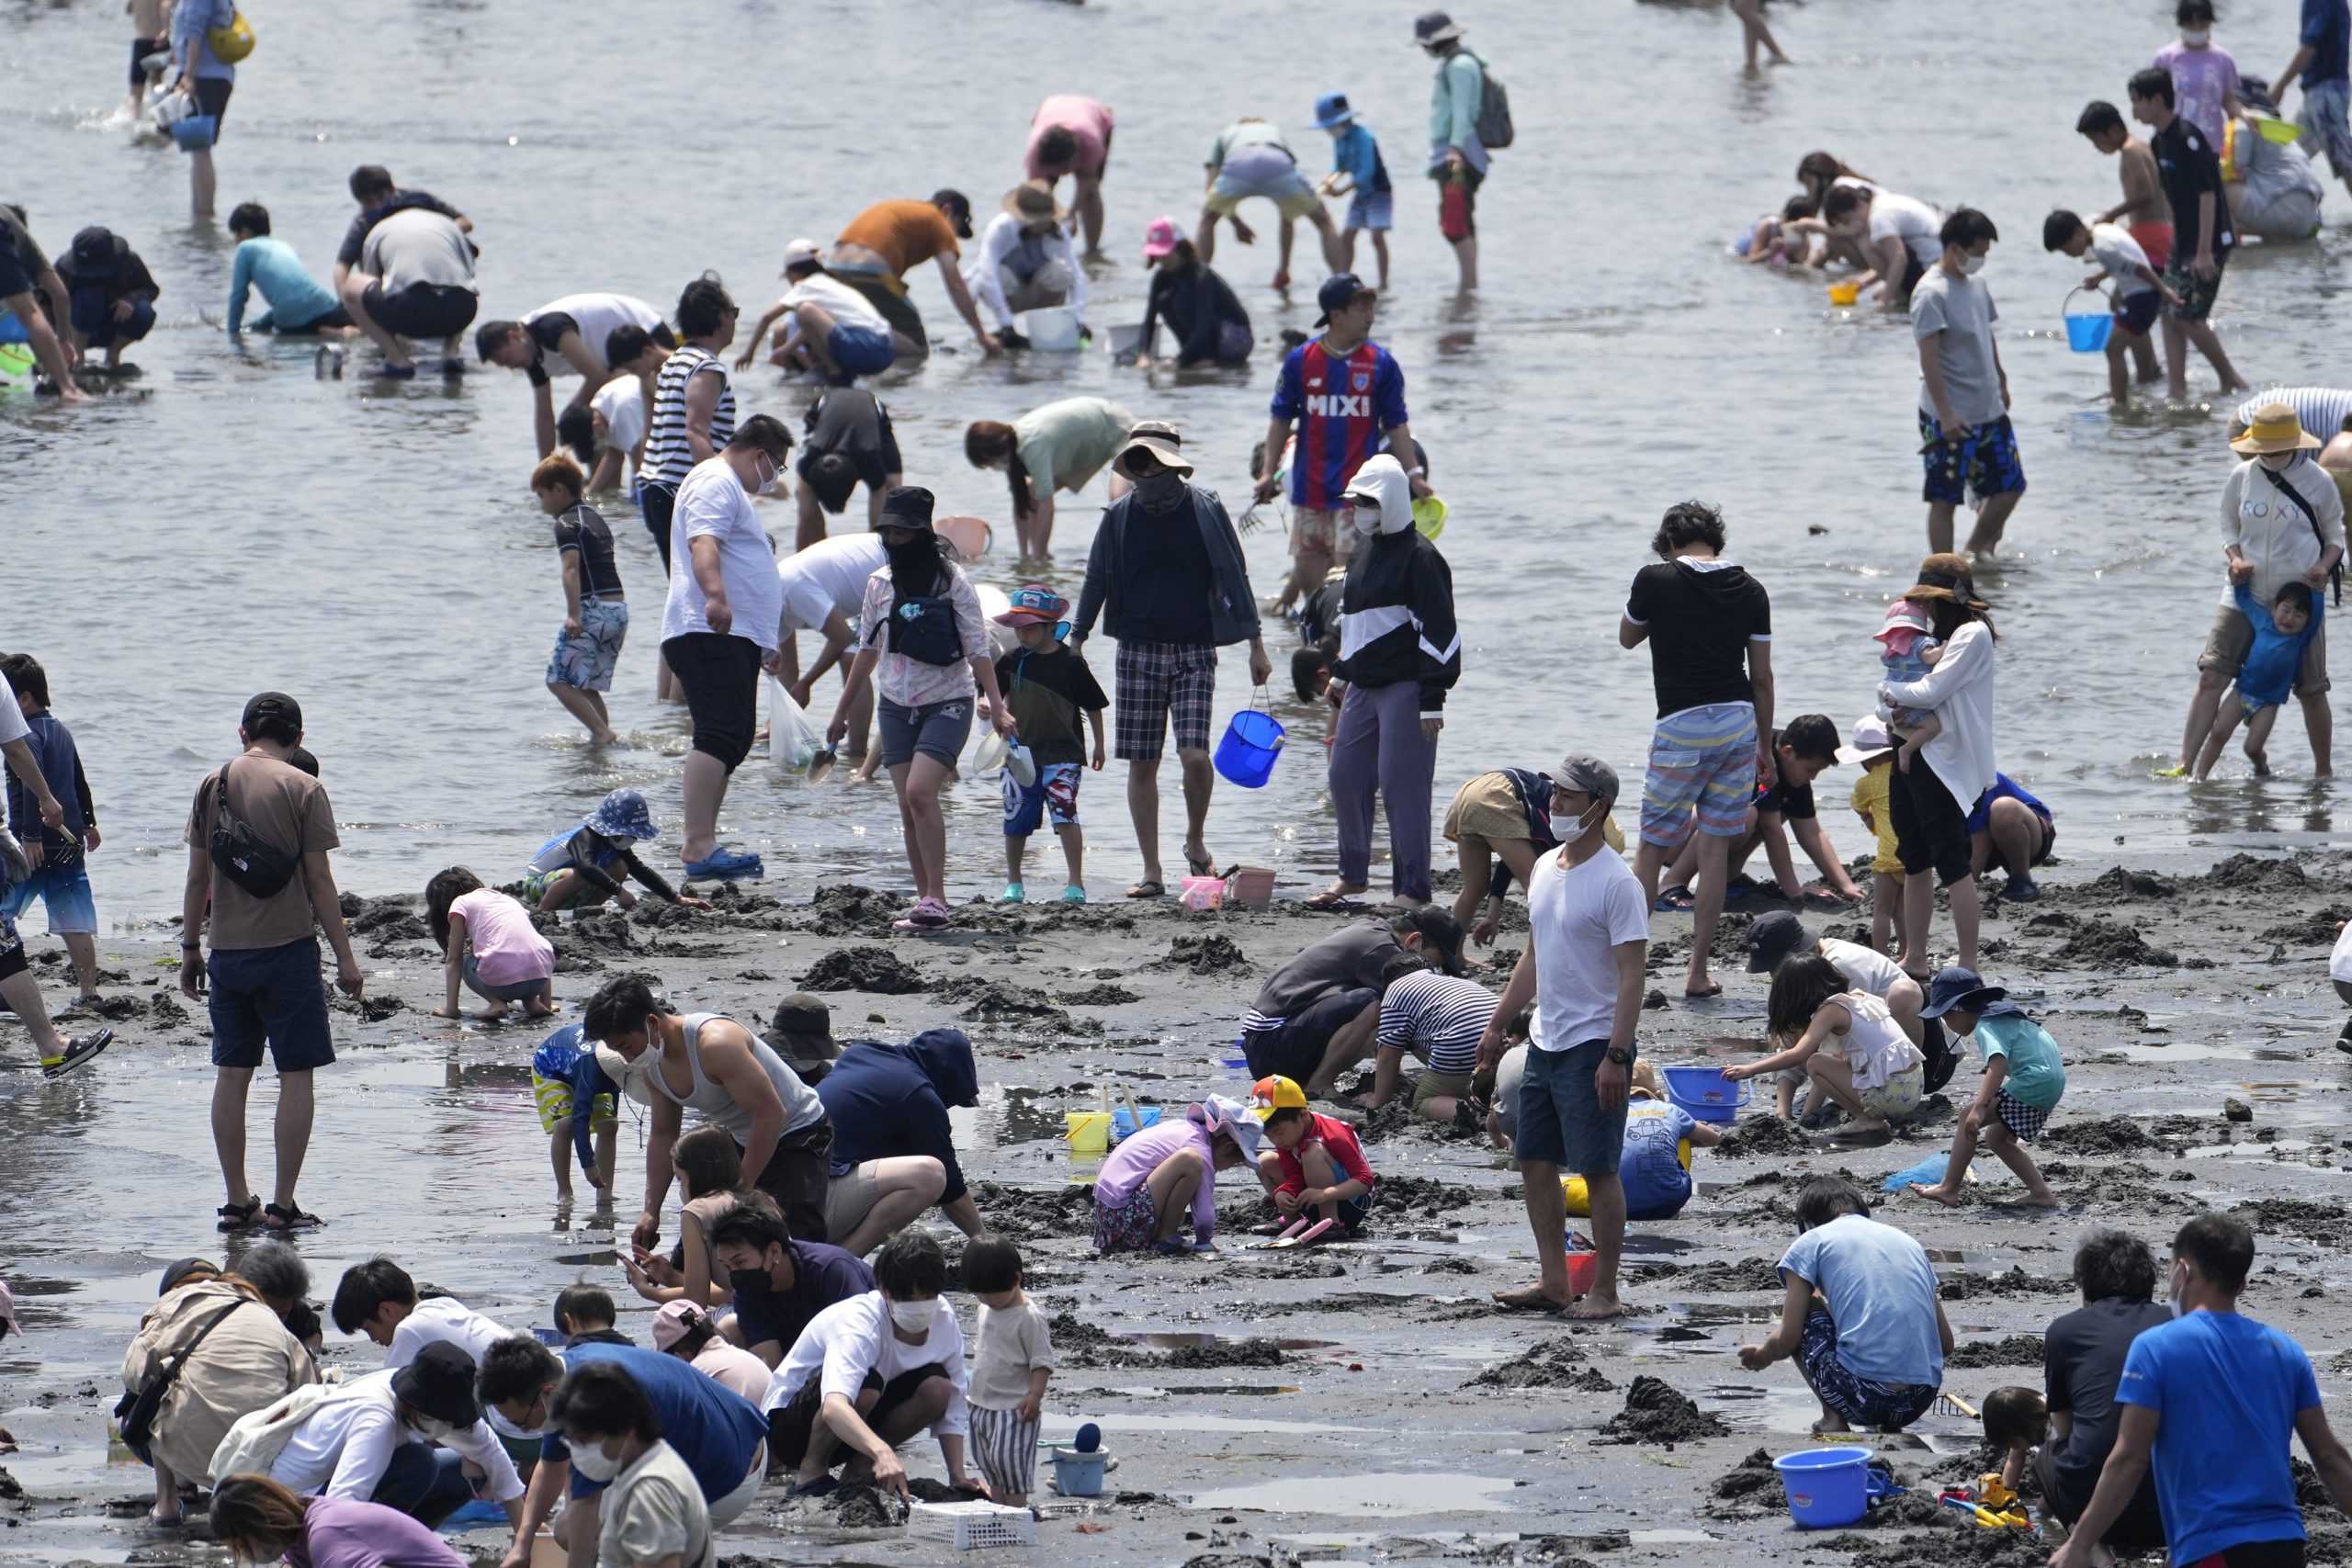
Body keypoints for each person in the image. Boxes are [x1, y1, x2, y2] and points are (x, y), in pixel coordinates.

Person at [2050, 1213, 2352, 1568]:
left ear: (2184, 1271)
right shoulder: (2285, 1350)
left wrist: (2081, 1543)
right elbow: (2330, 1457)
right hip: (2284, 1543)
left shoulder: (2157, 1347)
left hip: (2211, 1546)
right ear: (2241, 1285)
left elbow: (2129, 1457)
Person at [1476, 754, 1646, 1321]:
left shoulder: (1619, 883)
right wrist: (1500, 1022)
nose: (1555, 805)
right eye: (1554, 794)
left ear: (1598, 806)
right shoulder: (1546, 866)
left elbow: (1631, 977)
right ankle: (1554, 1281)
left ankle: (1605, 1292)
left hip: (1595, 1044)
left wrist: (1617, 1057)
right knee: (1535, 1159)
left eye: (1569, 797)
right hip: (1544, 1042)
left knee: (1598, 1169)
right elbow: (1534, 954)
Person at [180, 693, 359, 1233]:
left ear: (242, 733)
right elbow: (320, 883)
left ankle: (237, 1202)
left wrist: (191, 947)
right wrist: (346, 957)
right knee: (295, 1076)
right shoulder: (305, 787)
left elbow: (197, 879)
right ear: (299, 739)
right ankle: (282, 1206)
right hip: (288, 953)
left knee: (231, 1075)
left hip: (227, 953)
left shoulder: (211, 784)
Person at [1069, 422, 1270, 898]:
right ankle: (1152, 870)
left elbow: (1234, 574)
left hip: (1194, 648)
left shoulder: (1205, 508)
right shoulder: (1117, 516)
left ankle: (1195, 838)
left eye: (1152, 461)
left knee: (1195, 757)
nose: (1144, 470)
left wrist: (1255, 643)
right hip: (1135, 649)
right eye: (1136, 461)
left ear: (1172, 464)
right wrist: (1076, 640)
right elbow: (1095, 578)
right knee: (1143, 763)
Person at [827, 487, 1014, 932]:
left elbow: (978, 648)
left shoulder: (953, 581)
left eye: (902, 531)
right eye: (887, 531)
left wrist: (998, 704)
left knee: (920, 792)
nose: (893, 538)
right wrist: (840, 712)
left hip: (947, 700)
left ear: (921, 533)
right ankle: (925, 902)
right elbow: (867, 650)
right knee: (908, 806)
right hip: (894, 705)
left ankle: (937, 898)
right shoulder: (879, 583)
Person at [1620, 499, 1776, 998]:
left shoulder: (1656, 579)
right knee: (1713, 850)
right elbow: (1763, 677)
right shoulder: (1752, 589)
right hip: (1738, 722)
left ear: (1668, 543)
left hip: (1682, 724)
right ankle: (1697, 973)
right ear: (1718, 540)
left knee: (1650, 849)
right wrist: (1765, 748)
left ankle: (1629, 970)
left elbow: (1627, 639)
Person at [584, 976, 834, 1248]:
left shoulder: (715, 1044)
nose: (628, 1059)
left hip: (800, 1132)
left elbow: (771, 1113)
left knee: (793, 1243)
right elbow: (664, 1133)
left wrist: (740, 1192)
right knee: (709, 1229)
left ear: (652, 1023)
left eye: (625, 1046)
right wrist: (650, 1211)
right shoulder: (651, 1065)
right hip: (742, 1137)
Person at [477, 1336, 765, 1568]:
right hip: (745, 1445)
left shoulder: (594, 1399)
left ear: (546, 1394)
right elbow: (552, 1466)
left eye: (523, 1423)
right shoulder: (572, 1369)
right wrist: (522, 1544)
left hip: (729, 1479)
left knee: (586, 1531)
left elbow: (585, 1506)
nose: (526, 1431)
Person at [1313, 454, 1460, 908]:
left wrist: (1433, 697)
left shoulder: (1422, 559)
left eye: (1369, 501)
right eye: (1356, 500)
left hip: (1408, 687)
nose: (1360, 509)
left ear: (1393, 501)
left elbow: (1441, 632)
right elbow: (1355, 621)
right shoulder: (1363, 549)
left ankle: (1412, 891)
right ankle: (1353, 876)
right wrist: (1341, 673)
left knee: (1403, 786)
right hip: (1362, 685)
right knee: (1344, 775)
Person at [2177, 402, 2343, 778]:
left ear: (2295, 444)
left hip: (2298, 603)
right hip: (2243, 594)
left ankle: (2323, 774)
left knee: (2313, 692)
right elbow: (2228, 528)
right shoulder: (2242, 476)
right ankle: (2185, 766)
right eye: (2262, 449)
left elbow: (2336, 537)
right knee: (2211, 677)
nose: (2268, 456)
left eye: (2276, 449)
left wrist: (2323, 566)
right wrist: (2234, 559)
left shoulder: (2318, 481)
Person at [663, 415, 795, 880]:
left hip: (736, 636)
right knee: (719, 732)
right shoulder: (715, 480)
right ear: (760, 454)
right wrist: (716, 597)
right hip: (708, 629)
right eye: (776, 467)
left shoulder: (729, 489)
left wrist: (763, 641)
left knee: (736, 736)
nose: (773, 478)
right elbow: (704, 542)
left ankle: (705, 843)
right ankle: (697, 845)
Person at [761, 1230, 985, 1499]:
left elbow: (956, 1399)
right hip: (792, 1427)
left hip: (858, 1422)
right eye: (909, 1300)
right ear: (884, 1291)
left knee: (939, 1387)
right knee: (868, 1384)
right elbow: (834, 1407)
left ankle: (860, 1469)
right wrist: (882, 1451)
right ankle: (813, 1473)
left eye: (928, 1297)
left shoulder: (944, 1319)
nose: (920, 1307)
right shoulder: (859, 1324)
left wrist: (957, 1475)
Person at [1254, 275, 1430, 610]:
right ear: (1336, 314)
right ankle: (1316, 639)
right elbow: (1280, 419)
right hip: (1310, 490)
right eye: (1361, 309)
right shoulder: (1301, 361)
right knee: (1310, 580)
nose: (1370, 317)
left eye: (1371, 308)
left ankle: (1343, 648)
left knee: (1348, 582)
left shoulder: (1381, 363)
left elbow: (1396, 422)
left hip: (1357, 494)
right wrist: (1267, 472)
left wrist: (1415, 475)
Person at [1739, 1178, 1951, 1434]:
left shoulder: (1810, 1242)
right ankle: (1883, 1420)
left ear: (1807, 1223)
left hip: (1864, 1398)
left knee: (1808, 1303)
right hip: (1918, 1401)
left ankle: (1832, 1418)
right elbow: (1946, 1344)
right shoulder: (1910, 1243)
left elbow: (1787, 1340)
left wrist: (1763, 1355)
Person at [120, 1259, 318, 1526]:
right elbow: (306, 1390)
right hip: (264, 1460)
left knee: (154, 1389)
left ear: (169, 1289)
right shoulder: (265, 1314)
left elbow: (134, 1375)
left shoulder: (171, 1305)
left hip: (196, 1450)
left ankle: (167, 1501)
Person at [255, 1342, 526, 1527]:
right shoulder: (377, 1420)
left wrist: (527, 1537)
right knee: (419, 1462)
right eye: (440, 1415)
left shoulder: (427, 1392)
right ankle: (381, 1548)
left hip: (329, 1491)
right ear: (419, 1404)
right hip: (290, 1503)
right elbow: (342, 1502)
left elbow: (491, 1453)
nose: (447, 1424)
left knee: (464, 1471)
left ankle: (404, 1548)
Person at [1881, 555, 1998, 977]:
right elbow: (1905, 700)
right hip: (1908, 748)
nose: (1925, 609)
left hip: (1944, 760)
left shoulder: (1971, 634)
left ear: (1951, 599)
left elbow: (1930, 693)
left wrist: (1885, 691)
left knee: (1952, 862)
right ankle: (1915, 955)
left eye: (1931, 601)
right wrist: (1889, 707)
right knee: (1913, 857)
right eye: (1922, 602)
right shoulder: (1933, 639)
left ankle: (1968, 961)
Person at [2031, 1230, 2173, 1560]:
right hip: (2179, 1511)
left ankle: (2094, 1548)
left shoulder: (2065, 1330)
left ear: (2087, 1285)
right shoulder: (2181, 1322)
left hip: (2098, 1509)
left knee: (2046, 1456)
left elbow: (2064, 1431)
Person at [1657, 716, 1864, 917]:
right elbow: (1771, 829)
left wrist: (1846, 885)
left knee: (1775, 812)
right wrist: (1792, 889)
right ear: (1788, 751)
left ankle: (1730, 877)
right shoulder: (1758, 758)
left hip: (1703, 841)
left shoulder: (1792, 771)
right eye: (1811, 769)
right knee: (1747, 814)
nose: (1813, 777)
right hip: (1674, 838)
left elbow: (1811, 832)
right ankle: (1672, 883)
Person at [2133, 65, 2255, 402]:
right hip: (2183, 242)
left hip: (2210, 241)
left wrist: (2203, 252)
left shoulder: (2189, 137)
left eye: (2137, 102)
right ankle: (2177, 390)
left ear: (2156, 100)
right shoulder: (2159, 142)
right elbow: (2172, 198)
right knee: (2168, 311)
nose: (2134, 110)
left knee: (2188, 314)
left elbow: (2207, 194)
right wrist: (2176, 243)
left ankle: (2231, 379)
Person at [1239, 907, 1466, 1085]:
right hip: (1271, 1046)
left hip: (1267, 1043)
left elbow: (1391, 1027)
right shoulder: (1383, 951)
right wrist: (1451, 1073)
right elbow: (1409, 1024)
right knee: (1372, 1003)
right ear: (1414, 941)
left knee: (1381, 1004)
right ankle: (1320, 1084)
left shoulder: (1374, 931)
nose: (1430, 972)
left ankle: (1317, 1080)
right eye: (1433, 963)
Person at [1909, 208, 2024, 558]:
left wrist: (2001, 379)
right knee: (1944, 498)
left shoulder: (1976, 283)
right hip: (1948, 415)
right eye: (1978, 252)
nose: (1981, 260)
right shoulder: (1930, 293)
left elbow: (1985, 332)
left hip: (1988, 407)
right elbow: (1928, 360)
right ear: (1955, 248)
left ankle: (1974, 554)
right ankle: (1943, 575)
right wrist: (1945, 415)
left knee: (2011, 487)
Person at [812, 1025, 984, 1252]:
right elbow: (951, 1190)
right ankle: (843, 1261)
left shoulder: (862, 1053)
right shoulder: (919, 1096)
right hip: (811, 1206)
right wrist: (983, 1240)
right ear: (946, 1079)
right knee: (930, 1176)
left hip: (784, 1191)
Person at [1909, 966, 2063, 1208]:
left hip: (2033, 1081)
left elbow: (1998, 1065)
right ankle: (2041, 1194)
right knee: (1996, 1138)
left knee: (1966, 1117)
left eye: (1945, 1015)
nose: (1946, 1022)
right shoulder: (2005, 1014)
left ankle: (1949, 1188)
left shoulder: (1985, 1026)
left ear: (1959, 1008)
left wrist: (1979, 1108)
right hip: (2051, 1081)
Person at [990, 585, 1106, 904]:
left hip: (1064, 754)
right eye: (1019, 629)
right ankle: (1014, 882)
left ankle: (1075, 883)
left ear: (1051, 627)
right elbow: (993, 696)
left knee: (1065, 814)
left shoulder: (1071, 662)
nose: (1023, 635)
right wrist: (991, 708)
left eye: (1030, 629)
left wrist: (1099, 744)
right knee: (1016, 818)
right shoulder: (1010, 660)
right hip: (1018, 753)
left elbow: (1093, 705)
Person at [1722, 955, 1927, 1136]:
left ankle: (1867, 1120)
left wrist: (1750, 1069)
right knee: (1830, 1062)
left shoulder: (1830, 1011)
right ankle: (1866, 1116)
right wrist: (1807, 1117)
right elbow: (1834, 1069)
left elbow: (1798, 1055)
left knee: (1815, 1061)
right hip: (1913, 1087)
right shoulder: (1855, 999)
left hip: (1892, 1095)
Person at [0, 653, 100, 1009]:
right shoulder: (60, 729)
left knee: (3, 913)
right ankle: (89, 992)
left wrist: (28, 836)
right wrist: (89, 822)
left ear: (22, 699)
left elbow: (31, 788)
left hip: (34, 844)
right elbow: (78, 778)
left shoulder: (24, 738)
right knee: (75, 919)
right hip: (69, 842)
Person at [548, 1361, 716, 1568]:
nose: (578, 1451)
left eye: (584, 1439)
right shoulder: (650, 1460)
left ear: (625, 1427)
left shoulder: (649, 1492)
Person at [1442, 765, 1627, 947]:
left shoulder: (1569, 809)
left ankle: (1449, 953)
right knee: (1539, 886)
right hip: (1497, 796)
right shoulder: (1570, 824)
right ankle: (1542, 953)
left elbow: (1509, 861)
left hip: (1474, 790)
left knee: (1475, 888)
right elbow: (1541, 891)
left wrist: (1492, 913)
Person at [474, 293, 669, 459]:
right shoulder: (531, 356)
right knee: (588, 425)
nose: (511, 367)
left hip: (645, 335)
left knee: (593, 418)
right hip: (614, 363)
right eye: (504, 365)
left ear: (514, 336)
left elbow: (597, 376)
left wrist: (570, 415)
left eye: (507, 359)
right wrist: (546, 466)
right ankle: (603, 489)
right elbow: (544, 416)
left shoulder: (550, 328)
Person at [639, 275, 740, 577]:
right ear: (720, 317)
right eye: (733, 313)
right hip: (678, 490)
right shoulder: (706, 367)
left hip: (654, 486)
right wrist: (716, 492)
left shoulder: (674, 361)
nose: (734, 321)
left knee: (687, 589)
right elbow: (696, 431)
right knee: (708, 587)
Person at [827, 193, 1001, 363]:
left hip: (834, 266)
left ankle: (833, 335)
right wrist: (981, 335)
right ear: (947, 210)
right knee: (917, 347)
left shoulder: (906, 209)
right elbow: (956, 285)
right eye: (956, 227)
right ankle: (848, 340)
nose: (953, 237)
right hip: (868, 270)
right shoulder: (939, 220)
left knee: (882, 320)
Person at [528, 453, 628, 746]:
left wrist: (574, 614)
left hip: (592, 609)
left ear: (559, 489)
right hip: (617, 610)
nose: (542, 503)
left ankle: (601, 732)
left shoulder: (566, 523)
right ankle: (602, 743)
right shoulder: (596, 518)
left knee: (557, 679)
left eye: (542, 495)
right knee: (586, 684)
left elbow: (571, 569)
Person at [703, 1199, 873, 1369]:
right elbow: (768, 1363)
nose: (734, 1274)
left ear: (774, 1251)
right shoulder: (748, 1291)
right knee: (729, 1327)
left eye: (740, 1262)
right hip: (804, 1354)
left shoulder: (830, 1269)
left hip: (869, 1351)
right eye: (727, 1266)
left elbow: (864, 1333)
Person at [965, 396, 1135, 561]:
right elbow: (1021, 502)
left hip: (1115, 425)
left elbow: (1047, 504)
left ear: (996, 450)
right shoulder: (1013, 445)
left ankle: (1125, 553)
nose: (994, 468)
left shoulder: (1032, 446)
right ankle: (1037, 555)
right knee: (1030, 494)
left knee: (1118, 497)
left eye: (990, 463)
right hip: (1086, 441)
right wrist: (1023, 556)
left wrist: (1039, 558)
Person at [2043, 209, 2185, 405]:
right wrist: (2099, 277)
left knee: (2113, 349)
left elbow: (2139, 267)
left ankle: (2120, 405)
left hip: (2142, 297)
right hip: (2139, 296)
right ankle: (2143, 385)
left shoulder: (2102, 247)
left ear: (2078, 232)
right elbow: (2119, 261)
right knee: (2116, 347)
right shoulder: (2100, 228)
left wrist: (2164, 291)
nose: (2069, 255)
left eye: (2067, 249)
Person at [1089, 1096, 1261, 1255]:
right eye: (1233, 1163)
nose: (1225, 1169)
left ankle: (1161, 1235)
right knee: (1191, 1160)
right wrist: (1204, 1242)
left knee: (1181, 1202)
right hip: (1122, 1217)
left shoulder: (1184, 1128)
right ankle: (1165, 1238)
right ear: (1228, 1147)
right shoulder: (1199, 1148)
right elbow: (1204, 1215)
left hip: (1108, 1217)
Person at [1739, 909, 1929, 1050]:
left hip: (1926, 1054)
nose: (1774, 976)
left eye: (1775, 967)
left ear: (1798, 954)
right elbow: (1789, 1039)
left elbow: (1847, 1036)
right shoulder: (1811, 965)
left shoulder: (1840, 966)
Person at [770, 530, 888, 754]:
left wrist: (807, 683)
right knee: (850, 656)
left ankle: (857, 752)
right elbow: (788, 671)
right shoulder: (769, 608)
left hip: (889, 560)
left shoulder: (791, 589)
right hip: (863, 586)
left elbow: (841, 636)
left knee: (851, 658)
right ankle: (857, 754)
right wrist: (779, 722)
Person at [960, 1236, 1054, 1509]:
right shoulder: (985, 1309)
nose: (988, 1299)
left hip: (1014, 1407)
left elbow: (1041, 1362)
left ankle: (1015, 1511)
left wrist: (1035, 1395)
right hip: (981, 1404)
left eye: (993, 1293)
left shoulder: (1029, 1317)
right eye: (981, 1293)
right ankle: (998, 1508)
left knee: (1010, 1462)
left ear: (1015, 1279)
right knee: (988, 1460)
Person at [2196, 581, 2324, 777]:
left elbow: (2317, 611)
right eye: (2286, 610)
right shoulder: (2262, 620)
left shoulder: (2302, 637)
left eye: (2299, 616)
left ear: (2307, 621)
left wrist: (2318, 588)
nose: (2290, 618)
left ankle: (2260, 765)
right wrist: (2241, 579)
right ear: (2274, 607)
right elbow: (2243, 600)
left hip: (2268, 703)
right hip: (2241, 692)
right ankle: (2200, 778)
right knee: (2218, 732)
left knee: (2252, 748)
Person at [1196, 117, 1342, 287]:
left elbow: (1210, 190)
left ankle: (1198, 281)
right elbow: (1288, 214)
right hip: (1277, 162)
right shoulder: (1272, 130)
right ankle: (1342, 281)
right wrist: (1284, 267)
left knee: (1207, 218)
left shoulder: (1227, 133)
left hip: (1239, 162)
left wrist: (1236, 223)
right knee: (1323, 220)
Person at [206, 1473, 466, 1568]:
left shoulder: (327, 1533)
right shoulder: (304, 1522)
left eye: (240, 1544)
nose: (241, 1554)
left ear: (262, 1524)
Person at [339, 205, 478, 381]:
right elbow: (470, 275)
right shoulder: (448, 225)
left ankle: (397, 360)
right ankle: (450, 354)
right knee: (459, 285)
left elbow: (371, 280)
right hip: (462, 312)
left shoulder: (379, 230)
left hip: (410, 312)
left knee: (351, 287)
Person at [522, 788, 709, 916]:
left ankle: (587, 912)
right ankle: (542, 915)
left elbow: (640, 870)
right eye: (626, 834)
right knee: (577, 873)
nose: (630, 840)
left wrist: (675, 898)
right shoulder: (584, 836)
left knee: (621, 866)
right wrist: (619, 891)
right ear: (611, 830)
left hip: (571, 889)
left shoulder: (615, 846)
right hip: (537, 886)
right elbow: (586, 867)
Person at [740, 238, 899, 386]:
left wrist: (749, 353)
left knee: (804, 310)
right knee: (808, 314)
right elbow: (810, 329)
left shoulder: (806, 286)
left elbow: (766, 317)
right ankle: (837, 375)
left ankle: (836, 373)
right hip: (887, 350)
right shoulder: (832, 286)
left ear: (794, 274)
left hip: (864, 349)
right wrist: (787, 349)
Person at [1361, 950, 1492, 1126]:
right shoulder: (1451, 983)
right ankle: (1493, 1100)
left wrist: (1378, 1100)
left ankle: (1481, 1117)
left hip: (1462, 1048)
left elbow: (1388, 1054)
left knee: (1421, 1103)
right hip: (1500, 1047)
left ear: (1388, 982)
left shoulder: (1396, 989)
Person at [1414, 12, 1494, 288]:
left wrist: (1455, 150)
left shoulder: (1458, 66)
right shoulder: (1461, 62)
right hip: (1459, 150)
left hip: (1457, 153)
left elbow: (1462, 111)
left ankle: (1469, 285)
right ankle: (1469, 286)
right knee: (1462, 220)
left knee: (1455, 223)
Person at [1250, 1074, 1380, 1232]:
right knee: (1264, 1162)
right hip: (1314, 1198)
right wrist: (1283, 1192)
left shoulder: (1335, 1133)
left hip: (1352, 1204)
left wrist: (1325, 1193)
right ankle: (1294, 1223)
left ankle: (1330, 1224)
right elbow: (1294, 1177)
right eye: (1268, 1135)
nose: (1276, 1141)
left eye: (1279, 1132)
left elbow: (1365, 1182)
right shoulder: (1286, 1140)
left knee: (1312, 1151)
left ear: (1303, 1115)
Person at [424, 866, 555, 1022]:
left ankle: (496, 1003)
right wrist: (547, 1003)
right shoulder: (505, 898)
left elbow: (454, 960)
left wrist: (451, 1010)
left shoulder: (460, 903)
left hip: (506, 987)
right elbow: (528, 942)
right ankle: (535, 1003)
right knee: (533, 949)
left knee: (465, 962)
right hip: (540, 980)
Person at [329, 1258, 508, 1371]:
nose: (373, 1340)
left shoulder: (409, 1329)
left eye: (368, 1329)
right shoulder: (444, 1305)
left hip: (515, 1415)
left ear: (387, 1310)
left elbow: (388, 1392)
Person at [2079, 99, 2178, 299]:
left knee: (2123, 301)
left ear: (2114, 130)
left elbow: (2146, 193)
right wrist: (2101, 276)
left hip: (2149, 234)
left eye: (2096, 140)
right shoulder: (2141, 145)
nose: (2096, 147)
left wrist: (2109, 216)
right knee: (2139, 300)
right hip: (2157, 233)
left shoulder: (2131, 151)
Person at [966, 182, 1087, 344]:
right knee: (998, 275)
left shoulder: (1058, 232)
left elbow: (1077, 276)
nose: (1040, 224)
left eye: (1044, 219)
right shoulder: (1000, 228)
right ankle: (1006, 329)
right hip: (1010, 295)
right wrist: (1006, 323)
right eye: (1034, 219)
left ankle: (1050, 326)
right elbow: (987, 274)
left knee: (1061, 272)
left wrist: (1077, 318)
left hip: (1040, 294)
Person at [791, 385, 902, 548]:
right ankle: (821, 550)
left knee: (893, 488)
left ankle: (889, 554)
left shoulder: (870, 458)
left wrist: (872, 551)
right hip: (822, 409)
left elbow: (878, 511)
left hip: (872, 408)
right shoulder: (810, 457)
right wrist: (800, 556)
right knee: (804, 494)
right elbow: (804, 515)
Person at [1135, 218, 1254, 368]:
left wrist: (1179, 361)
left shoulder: (1200, 274)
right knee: (1164, 300)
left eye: (1165, 253)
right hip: (1206, 335)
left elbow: (1203, 324)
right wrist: (1143, 354)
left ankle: (1211, 360)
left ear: (1180, 247)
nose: (1160, 258)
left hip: (1235, 337)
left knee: (1181, 301)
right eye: (1156, 253)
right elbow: (1149, 318)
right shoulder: (1161, 277)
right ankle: (1194, 356)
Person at [331, 166, 472, 291]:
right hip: (391, 277)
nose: (377, 206)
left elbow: (465, 223)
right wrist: (345, 298)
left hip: (436, 269)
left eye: (381, 197)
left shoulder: (419, 200)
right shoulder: (363, 222)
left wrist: (436, 233)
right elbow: (341, 266)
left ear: (392, 189)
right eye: (369, 202)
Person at [224, 204, 351, 337]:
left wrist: (232, 331)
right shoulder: (282, 245)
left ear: (245, 231)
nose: (235, 241)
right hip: (324, 305)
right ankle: (336, 331)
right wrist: (252, 326)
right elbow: (291, 298)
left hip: (292, 319)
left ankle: (322, 331)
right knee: (309, 322)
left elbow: (239, 295)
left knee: (283, 333)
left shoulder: (244, 248)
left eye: (235, 235)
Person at [0, 204, 85, 402]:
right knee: (30, 312)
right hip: (13, 324)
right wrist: (64, 339)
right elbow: (60, 294)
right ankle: (68, 390)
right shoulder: (17, 231)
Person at [1818, 184, 1945, 312]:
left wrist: (1884, 303)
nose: (1849, 230)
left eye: (1848, 222)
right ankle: (1902, 298)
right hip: (1935, 264)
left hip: (1929, 270)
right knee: (1876, 293)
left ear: (1859, 205)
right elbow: (1893, 260)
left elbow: (1899, 259)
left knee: (1864, 242)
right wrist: (1861, 283)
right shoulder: (1880, 203)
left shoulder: (1879, 218)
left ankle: (1905, 298)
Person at [1618, 1061, 1720, 1221]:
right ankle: (1672, 1212)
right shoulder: (1670, 1110)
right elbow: (1713, 1138)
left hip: (1612, 1203)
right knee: (1683, 1135)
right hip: (1667, 1203)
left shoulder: (1604, 1112)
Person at [1840, 717, 1907, 953]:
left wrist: (1871, 822)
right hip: (1914, 854)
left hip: (1888, 856)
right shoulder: (1907, 771)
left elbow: (1862, 811)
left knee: (1882, 911)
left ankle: (1880, 956)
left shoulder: (1866, 783)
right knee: (1903, 912)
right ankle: (1908, 954)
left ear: (1865, 759)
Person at [2222, 89, 2328, 239]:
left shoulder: (2243, 123)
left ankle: (2232, 251)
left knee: (2219, 190)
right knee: (2258, 189)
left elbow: (2238, 171)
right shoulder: (2276, 130)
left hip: (2287, 213)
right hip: (2310, 218)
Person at [2274, 0, 2352, 198]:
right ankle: (2297, 218)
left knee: (2345, 162)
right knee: (2289, 158)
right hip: (2316, 93)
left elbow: (2309, 45)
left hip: (2327, 93)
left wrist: (2281, 84)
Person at [1314, 92, 1393, 288]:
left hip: (1378, 191)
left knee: (1376, 236)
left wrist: (1342, 191)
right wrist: (1329, 179)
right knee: (1347, 236)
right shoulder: (1340, 140)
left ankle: (1383, 283)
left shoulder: (1363, 137)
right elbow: (1340, 166)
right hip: (1361, 193)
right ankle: (1343, 279)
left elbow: (1367, 171)